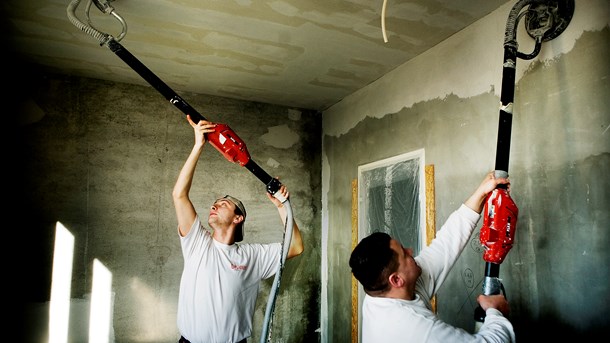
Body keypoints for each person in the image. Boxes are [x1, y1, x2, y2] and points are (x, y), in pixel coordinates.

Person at [172, 115, 304, 343]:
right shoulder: (197, 244)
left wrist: (282, 206)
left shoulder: (252, 256)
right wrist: (198, 146)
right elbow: (179, 195)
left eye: (224, 204)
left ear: (238, 218)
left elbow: (296, 247)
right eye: (214, 203)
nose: (214, 205)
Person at [349, 171, 516, 342]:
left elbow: (446, 244)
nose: (410, 251)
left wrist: (482, 192)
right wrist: (496, 312)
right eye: (404, 254)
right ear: (396, 280)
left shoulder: (387, 290)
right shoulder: (414, 329)